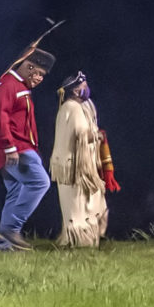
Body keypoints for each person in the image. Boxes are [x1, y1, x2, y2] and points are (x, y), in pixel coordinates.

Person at [0, 42, 51, 251]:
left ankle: (1, 244)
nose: (39, 79)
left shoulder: (17, 86)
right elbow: (0, 117)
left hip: (16, 146)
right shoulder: (8, 85)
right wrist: (9, 147)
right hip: (15, 147)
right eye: (39, 73)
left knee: (15, 191)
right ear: (28, 66)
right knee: (40, 182)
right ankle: (11, 228)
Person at [48, 72, 109, 249]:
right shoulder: (72, 108)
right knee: (77, 205)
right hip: (74, 166)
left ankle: (87, 239)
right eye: (84, 86)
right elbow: (81, 134)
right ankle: (78, 241)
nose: (86, 88)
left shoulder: (81, 106)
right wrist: (97, 135)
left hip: (76, 165)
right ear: (75, 90)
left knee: (89, 201)